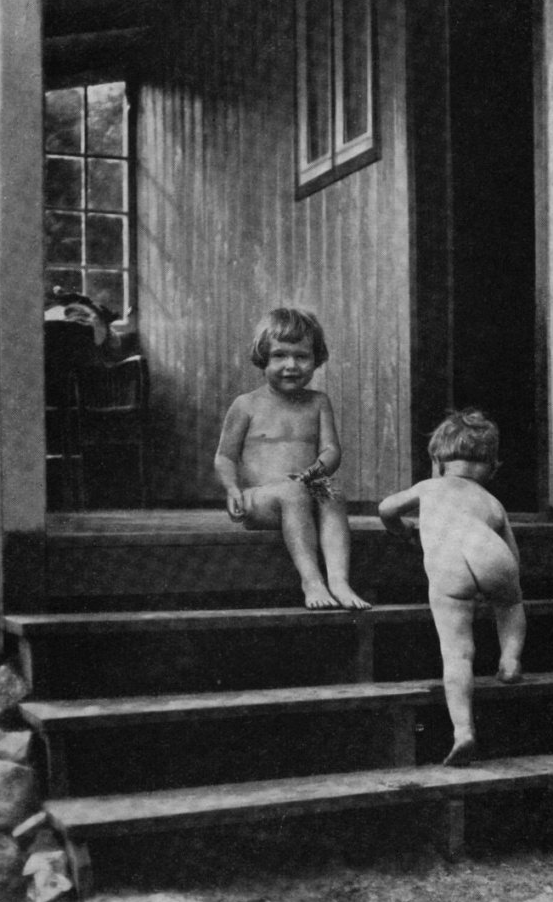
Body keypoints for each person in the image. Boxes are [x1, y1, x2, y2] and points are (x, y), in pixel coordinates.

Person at [378, 409, 526, 766]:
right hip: (491, 553)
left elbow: (386, 509)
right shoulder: (492, 503)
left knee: (457, 653)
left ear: (437, 462)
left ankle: (463, 731)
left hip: (449, 567)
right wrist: (504, 586)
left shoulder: (428, 487)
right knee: (510, 605)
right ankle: (510, 658)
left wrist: (402, 529)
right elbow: (514, 556)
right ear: (492, 468)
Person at [214, 308, 370, 611]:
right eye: (279, 356)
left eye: (301, 356)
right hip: (260, 500)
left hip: (305, 489)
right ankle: (312, 581)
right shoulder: (246, 405)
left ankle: (339, 580)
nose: (291, 365)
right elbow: (225, 456)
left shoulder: (318, 402)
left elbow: (331, 451)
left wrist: (314, 472)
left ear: (316, 359)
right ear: (263, 358)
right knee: (293, 493)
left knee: (332, 492)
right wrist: (232, 489)